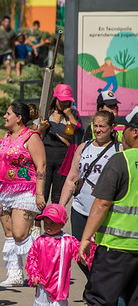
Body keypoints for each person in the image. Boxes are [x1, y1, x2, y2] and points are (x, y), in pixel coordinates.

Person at [81, 106, 138, 306]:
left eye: (125, 128)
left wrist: (85, 238)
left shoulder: (121, 160)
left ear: (134, 132)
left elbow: (102, 203)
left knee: (97, 298)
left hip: (117, 246)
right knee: (136, 304)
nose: (121, 133)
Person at [58, 109, 119, 278]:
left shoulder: (118, 150)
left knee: (99, 253)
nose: (98, 130)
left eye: (102, 127)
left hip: (102, 210)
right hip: (80, 207)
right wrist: (61, 207)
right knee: (79, 251)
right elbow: (72, 178)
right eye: (95, 126)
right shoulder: (83, 147)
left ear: (112, 127)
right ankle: (93, 283)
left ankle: (97, 288)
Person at [0, 101, 47, 287]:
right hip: (4, 190)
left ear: (18, 118)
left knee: (19, 233)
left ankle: (38, 266)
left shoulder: (31, 137)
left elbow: (41, 165)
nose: (4, 116)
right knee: (9, 234)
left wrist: (39, 193)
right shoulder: (6, 136)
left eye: (8, 113)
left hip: (25, 191)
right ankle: (14, 274)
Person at [25, 204, 79, 306]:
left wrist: (90, 246)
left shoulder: (68, 241)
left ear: (61, 223)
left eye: (53, 223)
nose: (48, 226)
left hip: (59, 282)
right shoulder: (40, 241)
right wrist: (34, 274)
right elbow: (32, 259)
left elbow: (80, 252)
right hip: (42, 280)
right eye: (46, 223)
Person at [37, 84, 81, 204]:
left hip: (64, 159)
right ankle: (37, 221)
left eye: (67, 101)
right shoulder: (45, 113)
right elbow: (34, 135)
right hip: (46, 157)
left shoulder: (73, 114)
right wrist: (41, 129)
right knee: (43, 192)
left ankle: (53, 219)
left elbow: (79, 131)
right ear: (55, 99)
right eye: (61, 100)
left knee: (57, 195)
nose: (64, 104)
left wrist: (69, 115)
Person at [0, 16, 15, 82]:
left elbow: (13, 42)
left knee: (8, 63)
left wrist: (13, 51)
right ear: (2, 22)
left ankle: (8, 78)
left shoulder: (11, 31)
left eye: (8, 22)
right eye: (6, 22)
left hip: (7, 51)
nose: (7, 23)